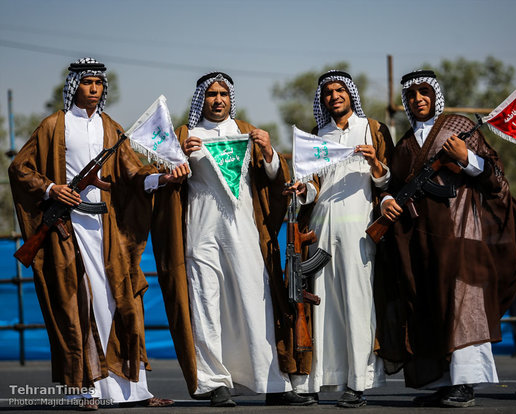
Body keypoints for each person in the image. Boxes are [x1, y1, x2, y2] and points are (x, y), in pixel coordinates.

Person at [8, 57, 186, 409]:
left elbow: (132, 176)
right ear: (75, 86)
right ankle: (87, 391)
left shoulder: (110, 128)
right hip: (67, 231)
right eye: (88, 82)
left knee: (121, 304)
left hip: (108, 232)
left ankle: (135, 391)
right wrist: (51, 189)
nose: (94, 89)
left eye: (99, 84)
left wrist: (162, 178)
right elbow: (19, 168)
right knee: (79, 305)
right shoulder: (53, 126)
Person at [151, 72, 315, 407]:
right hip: (200, 230)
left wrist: (269, 151)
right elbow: (160, 176)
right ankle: (215, 383)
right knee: (206, 304)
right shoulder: (186, 135)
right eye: (211, 94)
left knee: (256, 301)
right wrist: (178, 157)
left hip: (243, 231)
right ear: (201, 99)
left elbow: (272, 177)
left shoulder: (245, 132)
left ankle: (271, 382)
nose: (217, 100)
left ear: (231, 98)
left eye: (224, 94)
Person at [379, 70, 516, 408]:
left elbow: (497, 179)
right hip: (423, 242)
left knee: (465, 306)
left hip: (463, 233)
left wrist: (467, 158)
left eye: (424, 91)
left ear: (435, 94)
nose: (417, 98)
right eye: (411, 94)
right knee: (433, 308)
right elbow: (391, 188)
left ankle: (465, 382)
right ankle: (444, 381)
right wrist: (386, 201)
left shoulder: (457, 127)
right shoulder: (405, 144)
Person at [285, 70, 394, 408]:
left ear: (350, 95)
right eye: (328, 92)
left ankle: (357, 383)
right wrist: (304, 189)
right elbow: (315, 184)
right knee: (323, 304)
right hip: (321, 225)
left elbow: (387, 182)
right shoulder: (319, 134)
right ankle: (320, 379)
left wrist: (376, 162)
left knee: (357, 301)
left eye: (340, 90)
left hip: (357, 226)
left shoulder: (372, 128)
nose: (334, 96)